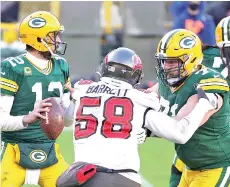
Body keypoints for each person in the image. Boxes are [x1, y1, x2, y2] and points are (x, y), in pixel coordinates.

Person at [56, 47, 217, 187]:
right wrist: (204, 104)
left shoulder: (82, 90)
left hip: (81, 177)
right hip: (121, 178)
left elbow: (68, 120)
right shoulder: (139, 99)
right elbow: (180, 134)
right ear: (135, 75)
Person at [149, 28, 230, 187]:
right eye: (164, 61)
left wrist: (147, 128)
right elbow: (146, 97)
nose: (166, 66)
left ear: (190, 59)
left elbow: (180, 125)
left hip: (215, 165)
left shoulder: (207, 82)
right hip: (189, 163)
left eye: (172, 61)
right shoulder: (168, 80)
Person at [0, 11, 73, 187]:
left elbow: (68, 122)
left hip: (49, 150)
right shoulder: (13, 67)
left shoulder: (61, 66)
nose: (58, 40)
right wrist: (27, 118)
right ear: (38, 39)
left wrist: (76, 101)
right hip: (14, 150)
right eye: (54, 35)